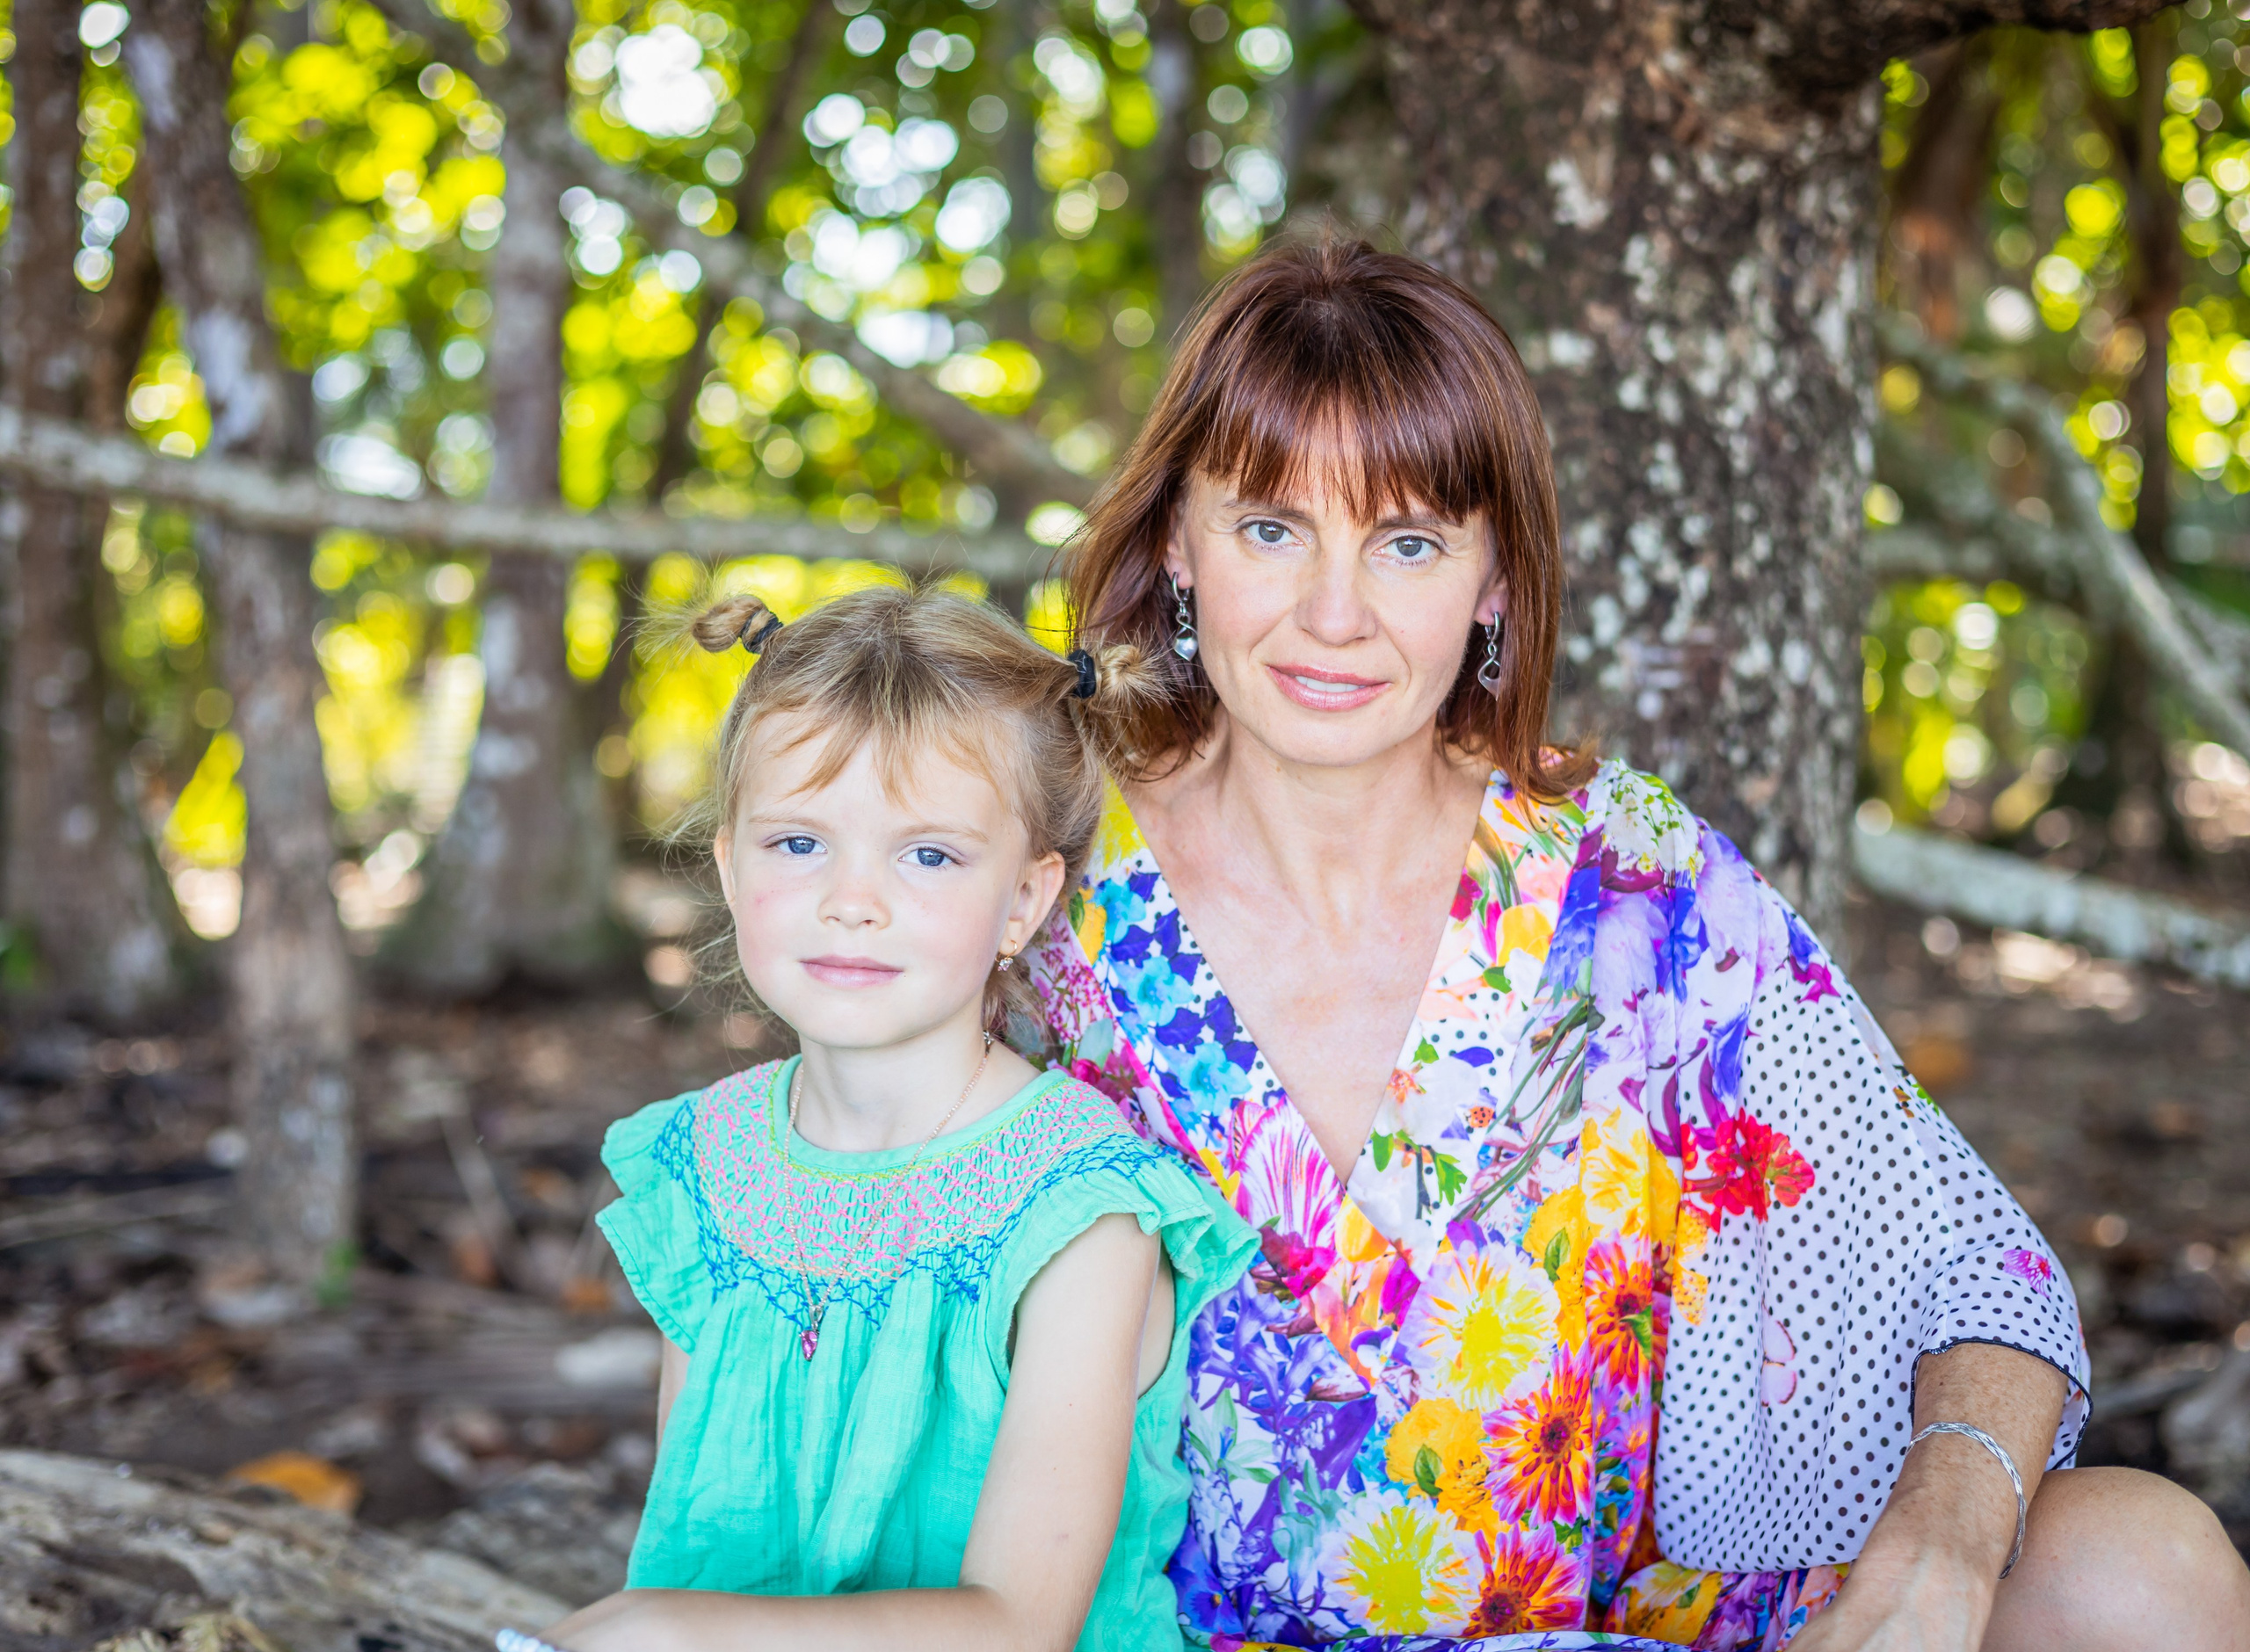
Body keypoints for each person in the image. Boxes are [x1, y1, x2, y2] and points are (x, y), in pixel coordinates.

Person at [1022, 236, 2250, 1652]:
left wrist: (1942, 1546)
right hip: (1155, 1639)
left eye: (1408, 542)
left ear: (1494, 582)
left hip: (1601, 1634)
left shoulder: (1632, 887)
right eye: (1270, 528)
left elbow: (1974, 1280)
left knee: (2143, 1568)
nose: (1335, 615)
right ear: (1176, 539)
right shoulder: (1042, 878)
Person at [503, 585, 1258, 1652]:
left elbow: (1018, 1623)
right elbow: (702, 1538)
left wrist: (661, 1632)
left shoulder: (1080, 1210)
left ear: (1024, 902)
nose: (852, 898)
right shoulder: (708, 1165)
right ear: (728, 864)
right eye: (799, 843)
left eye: (929, 854)